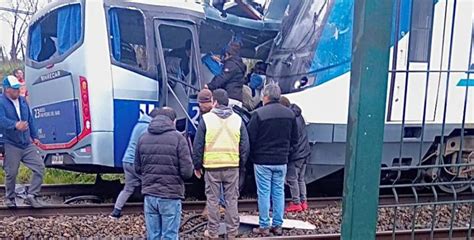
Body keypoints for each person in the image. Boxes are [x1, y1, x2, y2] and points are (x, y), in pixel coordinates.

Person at [193, 89, 250, 239]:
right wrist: (241, 165)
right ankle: (232, 232)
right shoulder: (238, 119)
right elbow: (245, 146)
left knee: (213, 200)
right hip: (232, 165)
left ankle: (213, 232)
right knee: (232, 200)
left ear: (215, 102)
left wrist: (197, 165)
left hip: (212, 167)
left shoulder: (206, 119)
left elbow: (198, 145)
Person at [247, 83, 298, 236]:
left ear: (266, 96)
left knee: (264, 193)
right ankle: (278, 225)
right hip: (281, 160)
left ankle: (264, 225)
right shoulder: (289, 114)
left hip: (262, 160)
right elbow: (294, 139)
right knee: (279, 192)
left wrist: (253, 156)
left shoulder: (258, 114)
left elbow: (250, 138)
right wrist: (286, 153)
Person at [135, 107, 193, 240]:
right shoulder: (178, 139)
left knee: (153, 235)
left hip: (150, 194)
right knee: (169, 235)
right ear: (173, 121)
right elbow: (187, 172)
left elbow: (137, 168)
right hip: (170, 194)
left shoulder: (143, 138)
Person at [0, 76, 44, 208]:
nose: (18, 91)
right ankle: (10, 198)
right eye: (14, 89)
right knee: (11, 172)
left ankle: (32, 195)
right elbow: (1, 120)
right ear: (7, 90)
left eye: (18, 88)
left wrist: (35, 136)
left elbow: (30, 119)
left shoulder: (23, 101)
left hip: (26, 143)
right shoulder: (1, 102)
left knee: (39, 167)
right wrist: (15, 125)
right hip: (11, 143)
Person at [110, 108, 160, 219]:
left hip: (126, 160)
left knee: (128, 188)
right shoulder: (148, 128)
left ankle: (116, 211)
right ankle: (153, 211)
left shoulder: (139, 124)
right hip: (135, 161)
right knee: (151, 185)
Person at [280, 96, 311, 212]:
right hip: (305, 151)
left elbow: (293, 139)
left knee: (292, 178)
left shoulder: (291, 118)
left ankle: (296, 203)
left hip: (296, 154)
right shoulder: (298, 115)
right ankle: (304, 202)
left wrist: (288, 153)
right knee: (301, 179)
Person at [205, 42, 247, 108]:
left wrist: (209, 86)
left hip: (229, 98)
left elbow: (222, 78)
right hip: (237, 98)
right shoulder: (239, 64)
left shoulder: (231, 65)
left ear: (227, 54)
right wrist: (221, 61)